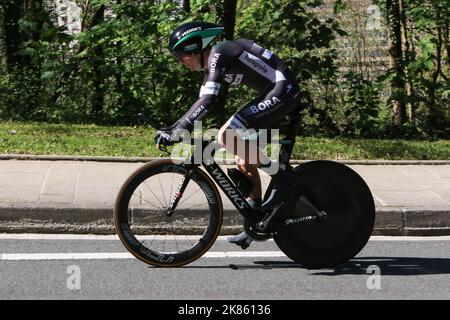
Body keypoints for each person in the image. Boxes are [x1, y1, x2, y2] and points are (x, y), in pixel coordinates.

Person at [155, 21, 301, 248]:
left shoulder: (219, 53)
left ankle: (283, 177)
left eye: (181, 56)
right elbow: (201, 102)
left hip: (283, 90)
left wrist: (180, 129)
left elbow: (209, 99)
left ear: (195, 48)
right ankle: (256, 222)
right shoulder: (212, 64)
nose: (181, 61)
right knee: (242, 158)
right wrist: (174, 128)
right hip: (273, 92)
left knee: (227, 136)